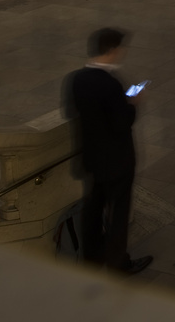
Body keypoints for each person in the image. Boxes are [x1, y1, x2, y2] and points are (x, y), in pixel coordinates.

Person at [63, 28, 153, 276]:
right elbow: (121, 122)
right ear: (113, 50)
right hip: (118, 160)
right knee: (119, 213)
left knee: (93, 209)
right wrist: (132, 103)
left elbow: (73, 113)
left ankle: (91, 259)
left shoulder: (76, 79)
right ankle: (118, 262)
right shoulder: (110, 84)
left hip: (92, 158)